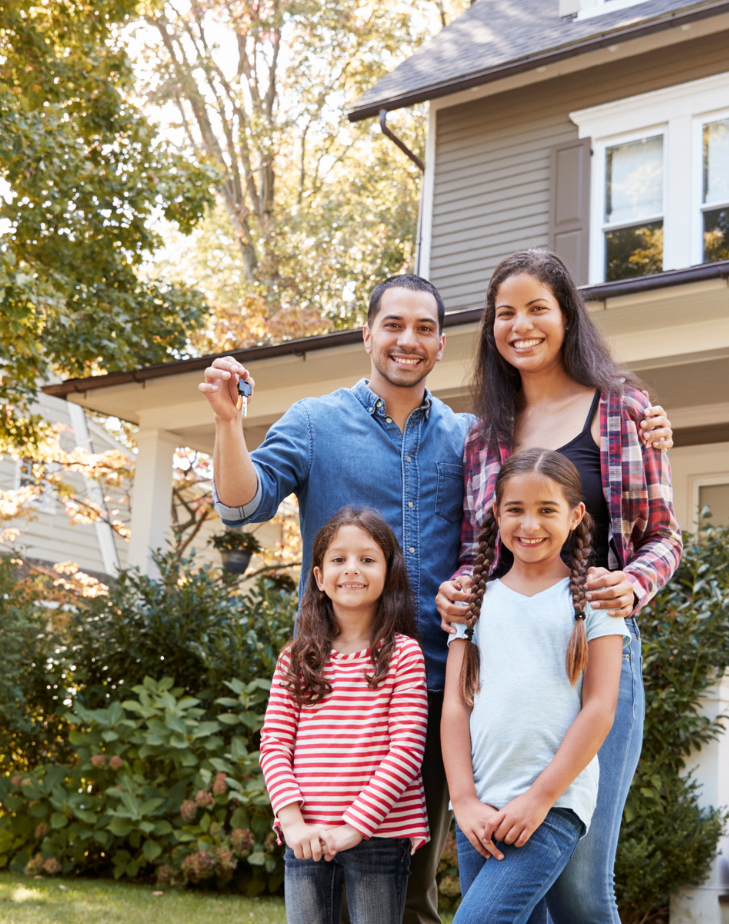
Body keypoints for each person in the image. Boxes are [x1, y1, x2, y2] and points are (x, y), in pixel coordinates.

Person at [202, 273, 672, 924]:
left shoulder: (469, 436)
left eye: (424, 328)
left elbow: (543, 496)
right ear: (367, 334)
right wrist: (228, 422)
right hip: (349, 690)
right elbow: (241, 505)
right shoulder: (315, 423)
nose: (408, 340)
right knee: (332, 882)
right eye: (393, 325)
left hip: (454, 683)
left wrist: (644, 428)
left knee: (415, 893)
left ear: (442, 344)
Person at [437, 249, 681, 924]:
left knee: (579, 886)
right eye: (505, 313)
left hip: (591, 645)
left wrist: (629, 585)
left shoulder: (624, 409)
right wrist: (456, 590)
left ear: (567, 315)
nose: (521, 325)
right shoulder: (484, 436)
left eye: (537, 308)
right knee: (518, 872)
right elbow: (477, 552)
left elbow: (665, 535)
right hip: (505, 658)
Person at [442, 449, 627, 924]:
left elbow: (600, 709)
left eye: (547, 509)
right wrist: (464, 800)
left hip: (552, 804)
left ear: (576, 515)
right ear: (495, 513)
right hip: (480, 809)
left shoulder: (596, 601)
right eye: (515, 509)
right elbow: (456, 707)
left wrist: (540, 798)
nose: (530, 524)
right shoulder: (473, 602)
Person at [262, 507, 430, 924]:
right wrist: (292, 823)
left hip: (378, 835)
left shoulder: (403, 655)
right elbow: (274, 744)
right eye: (339, 558)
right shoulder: (296, 659)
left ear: (388, 572)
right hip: (305, 837)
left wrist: (355, 826)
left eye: (367, 559)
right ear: (319, 577)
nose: (352, 568)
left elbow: (407, 749)